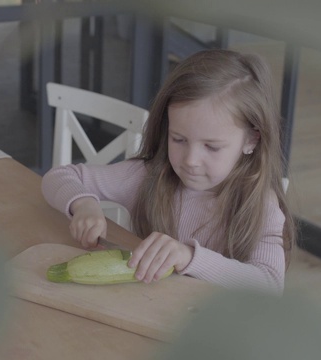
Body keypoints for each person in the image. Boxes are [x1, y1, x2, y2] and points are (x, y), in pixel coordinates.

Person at [41, 49, 296, 295]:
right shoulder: (147, 176)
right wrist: (83, 204)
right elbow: (59, 176)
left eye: (211, 146)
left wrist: (189, 257)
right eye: (179, 139)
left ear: (252, 140)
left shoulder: (260, 203)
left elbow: (269, 285)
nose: (191, 160)